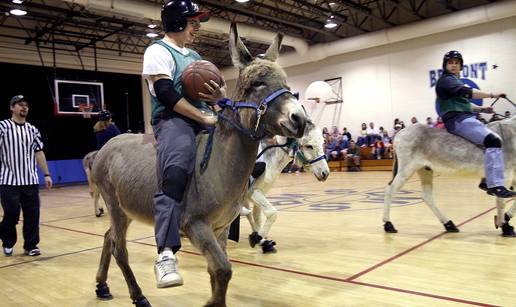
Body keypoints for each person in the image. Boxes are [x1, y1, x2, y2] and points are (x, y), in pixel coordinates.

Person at [142, 0, 225, 288]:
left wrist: (219, 103)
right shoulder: (157, 51)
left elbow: (212, 96)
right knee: (176, 169)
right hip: (172, 120)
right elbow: (164, 93)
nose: (197, 26)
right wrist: (203, 118)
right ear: (176, 22)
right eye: (193, 21)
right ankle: (165, 254)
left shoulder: (195, 56)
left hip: (202, 116)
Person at [435, 50, 515, 198]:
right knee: (494, 140)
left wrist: (483, 109)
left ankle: (486, 180)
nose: (453, 65)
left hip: (465, 117)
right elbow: (468, 93)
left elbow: (465, 104)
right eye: (450, 63)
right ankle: (496, 185)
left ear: (460, 66)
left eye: (456, 63)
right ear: (445, 65)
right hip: (458, 120)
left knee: (490, 141)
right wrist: (492, 94)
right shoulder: (446, 80)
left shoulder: (455, 81)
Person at [0, 95, 52, 257]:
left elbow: (39, 152)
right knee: (12, 213)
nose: (24, 107)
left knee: (32, 214)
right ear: (12, 108)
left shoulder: (32, 129)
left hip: (30, 180)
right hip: (8, 181)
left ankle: (31, 245)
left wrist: (47, 174)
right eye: (20, 105)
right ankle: (8, 241)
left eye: (26, 105)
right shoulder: (2, 127)